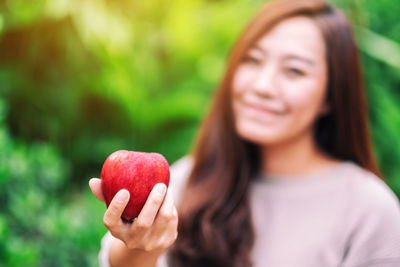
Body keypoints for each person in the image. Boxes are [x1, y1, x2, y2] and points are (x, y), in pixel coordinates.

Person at [89, 0, 400, 266]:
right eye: (252, 60)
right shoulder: (190, 178)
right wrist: (142, 249)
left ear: (331, 97)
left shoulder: (370, 210)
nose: (262, 86)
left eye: (294, 70)